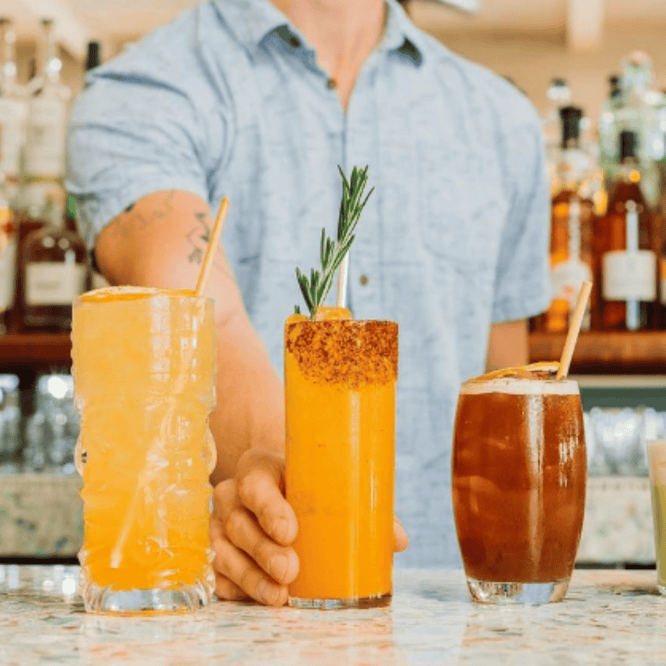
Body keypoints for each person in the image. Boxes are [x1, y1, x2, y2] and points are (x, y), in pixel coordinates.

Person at [66, 0, 550, 606]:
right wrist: (297, 483)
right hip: (258, 607)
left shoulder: (502, 121)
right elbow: (199, 311)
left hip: (457, 620)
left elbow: (507, 398)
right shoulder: (142, 92)